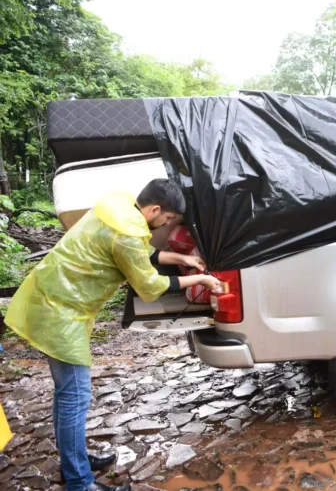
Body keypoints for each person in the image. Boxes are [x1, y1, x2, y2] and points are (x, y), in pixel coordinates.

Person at [5, 179, 223, 491]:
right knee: (75, 396)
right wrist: (201, 278)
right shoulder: (127, 233)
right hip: (59, 311)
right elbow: (151, 288)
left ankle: (74, 461)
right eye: (168, 219)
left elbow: (143, 254)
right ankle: (79, 482)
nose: (166, 224)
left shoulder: (118, 205)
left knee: (66, 394)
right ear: (156, 209)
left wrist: (182, 259)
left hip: (53, 298)